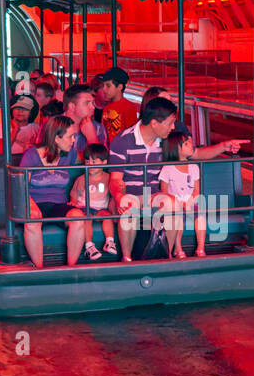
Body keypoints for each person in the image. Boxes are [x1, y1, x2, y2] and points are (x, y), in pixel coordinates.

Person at [108, 96, 179, 262]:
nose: (173, 127)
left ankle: (167, 255)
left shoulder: (167, 142)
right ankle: (127, 258)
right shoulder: (123, 141)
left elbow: (194, 153)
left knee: (172, 204)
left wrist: (223, 147)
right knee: (127, 204)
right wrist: (118, 197)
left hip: (153, 196)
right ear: (154, 123)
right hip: (130, 195)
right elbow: (115, 179)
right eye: (169, 123)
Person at [20, 116, 78, 269]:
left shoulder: (70, 155)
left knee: (78, 218)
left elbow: (92, 166)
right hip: (34, 203)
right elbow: (21, 186)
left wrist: (76, 195)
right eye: (70, 136)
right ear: (57, 138)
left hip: (58, 204)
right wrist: (31, 204)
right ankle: (39, 268)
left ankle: (72, 267)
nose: (73, 140)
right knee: (32, 220)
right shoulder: (31, 155)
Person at [139, 85, 247, 161]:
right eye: (164, 102)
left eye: (170, 102)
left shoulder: (178, 127)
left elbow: (195, 153)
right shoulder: (135, 134)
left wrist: (223, 146)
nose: (169, 105)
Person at [66, 143, 117, 264]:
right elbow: (74, 196)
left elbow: (112, 196)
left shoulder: (109, 178)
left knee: (108, 216)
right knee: (86, 219)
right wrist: (73, 204)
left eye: (94, 162)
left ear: (104, 162)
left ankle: (110, 242)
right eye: (87, 161)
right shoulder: (81, 179)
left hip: (101, 209)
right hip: (84, 208)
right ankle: (89, 246)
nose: (90, 165)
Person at [158, 130, 205, 259]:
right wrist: (178, 203)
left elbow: (196, 190)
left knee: (200, 215)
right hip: (175, 204)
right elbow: (164, 192)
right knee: (176, 217)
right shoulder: (167, 169)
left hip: (190, 202)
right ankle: (177, 248)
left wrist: (190, 201)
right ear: (176, 148)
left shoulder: (194, 167)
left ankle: (200, 247)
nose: (191, 145)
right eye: (186, 143)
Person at [63, 83, 108, 153]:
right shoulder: (54, 126)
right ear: (72, 107)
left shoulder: (98, 128)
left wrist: (93, 139)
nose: (93, 107)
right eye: (87, 103)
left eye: (93, 103)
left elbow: (104, 161)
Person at [98, 67, 138, 144]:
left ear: (120, 87)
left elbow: (131, 136)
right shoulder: (106, 108)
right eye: (104, 86)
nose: (104, 89)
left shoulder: (129, 107)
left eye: (108, 86)